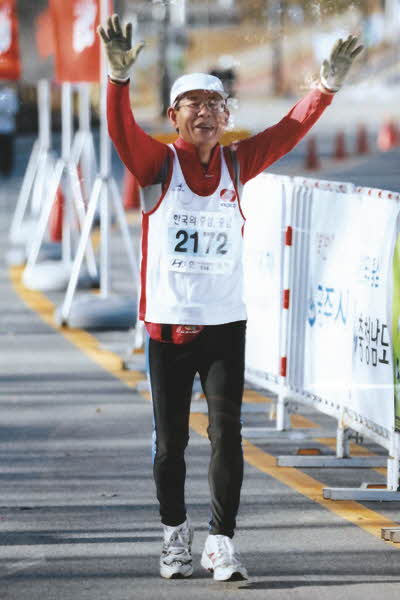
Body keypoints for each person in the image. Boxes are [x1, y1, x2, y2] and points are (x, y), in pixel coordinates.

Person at [98, 15, 362, 582]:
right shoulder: (156, 165)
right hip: (168, 329)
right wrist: (118, 80)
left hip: (224, 328)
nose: (203, 112)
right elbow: (121, 134)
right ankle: (174, 536)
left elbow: (288, 132)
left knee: (227, 438)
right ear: (173, 117)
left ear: (225, 117)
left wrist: (326, 89)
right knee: (170, 446)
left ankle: (221, 542)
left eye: (213, 104)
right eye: (191, 103)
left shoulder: (238, 166)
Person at [0, 81, 18, 177]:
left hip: (7, 128)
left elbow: (13, 109)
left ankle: (6, 171)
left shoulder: (10, 93)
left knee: (7, 151)